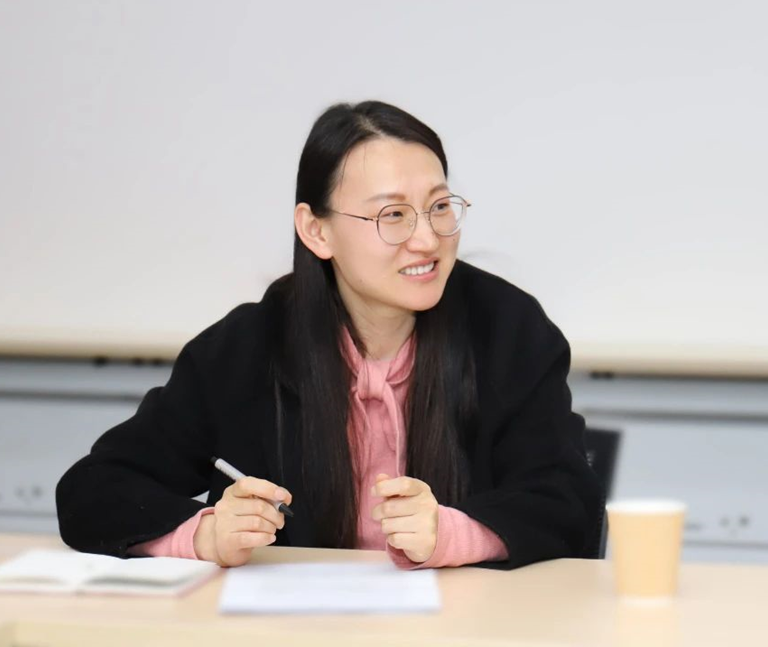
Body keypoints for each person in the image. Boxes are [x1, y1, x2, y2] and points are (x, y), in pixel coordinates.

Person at [56, 100, 602, 571]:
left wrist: (453, 534)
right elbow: (94, 490)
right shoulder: (247, 348)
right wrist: (205, 536)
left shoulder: (508, 330)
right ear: (316, 231)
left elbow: (569, 501)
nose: (426, 239)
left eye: (439, 207)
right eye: (393, 215)